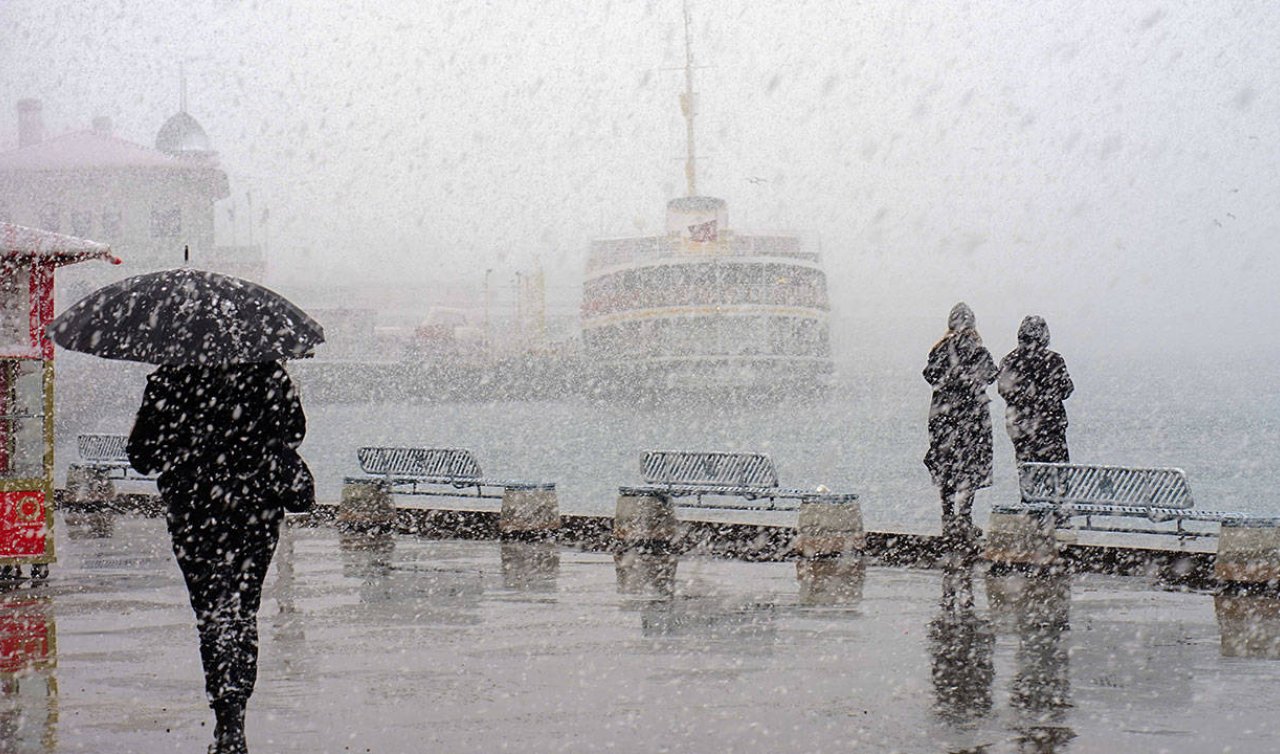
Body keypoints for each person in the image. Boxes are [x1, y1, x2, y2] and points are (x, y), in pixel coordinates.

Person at [127, 361, 306, 754]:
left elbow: (141, 455)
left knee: (211, 613)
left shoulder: (169, 380)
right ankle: (236, 713)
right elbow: (294, 432)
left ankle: (224, 715)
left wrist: (184, 448)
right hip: (254, 510)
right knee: (242, 610)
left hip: (193, 513)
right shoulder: (269, 374)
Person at [923, 302, 997, 546]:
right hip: (971, 419)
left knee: (946, 466)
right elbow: (990, 374)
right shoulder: (977, 349)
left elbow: (930, 375)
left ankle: (947, 518)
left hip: (943, 417)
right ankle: (964, 519)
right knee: (969, 468)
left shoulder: (939, 349)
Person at [997, 315, 1074, 464]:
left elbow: (1004, 391)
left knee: (1028, 474)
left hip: (1021, 428)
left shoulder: (1009, 361)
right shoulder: (1054, 360)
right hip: (1051, 426)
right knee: (1056, 475)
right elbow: (1066, 390)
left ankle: (1031, 486)